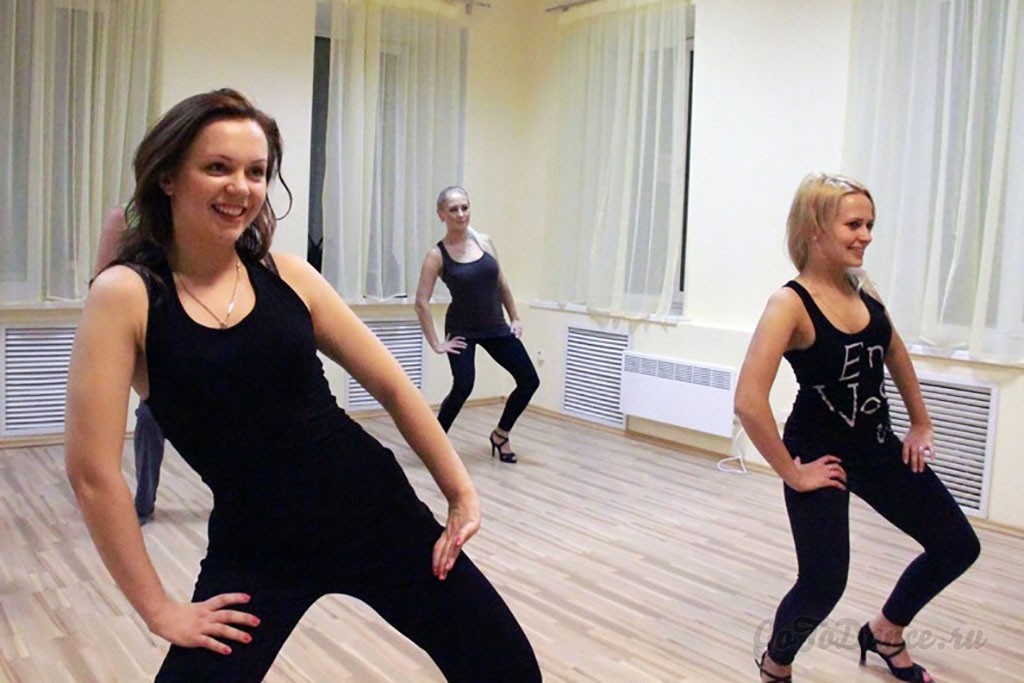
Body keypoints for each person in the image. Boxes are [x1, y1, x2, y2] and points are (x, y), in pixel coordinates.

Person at [65, 88, 541, 682]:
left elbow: (393, 386)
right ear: (168, 177)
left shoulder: (287, 275)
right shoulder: (127, 295)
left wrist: (460, 491)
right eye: (217, 167)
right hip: (257, 547)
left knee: (506, 668)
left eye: (255, 172)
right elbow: (92, 472)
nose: (240, 187)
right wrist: (159, 609)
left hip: (375, 513)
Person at [734, 173, 980, 683]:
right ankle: (775, 667)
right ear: (815, 227)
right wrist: (793, 473)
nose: (865, 235)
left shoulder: (860, 286)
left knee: (958, 545)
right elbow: (749, 403)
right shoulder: (789, 304)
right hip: (820, 454)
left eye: (870, 224)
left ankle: (886, 631)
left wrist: (921, 422)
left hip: (877, 446)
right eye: (853, 225)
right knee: (823, 581)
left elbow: (894, 351)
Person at [414, 187, 540, 463]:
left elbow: (502, 284)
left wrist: (515, 317)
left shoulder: (484, 242)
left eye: (465, 207)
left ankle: (501, 435)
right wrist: (436, 343)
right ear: (441, 214)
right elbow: (421, 302)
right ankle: (433, 445)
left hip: (495, 326)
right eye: (453, 209)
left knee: (529, 380)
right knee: (463, 386)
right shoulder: (437, 255)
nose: (461, 214)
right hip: (462, 329)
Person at [95, 205, 166, 525]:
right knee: (150, 418)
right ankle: (143, 503)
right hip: (148, 334)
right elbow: (100, 282)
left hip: (197, 330)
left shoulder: (194, 219)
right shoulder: (124, 218)